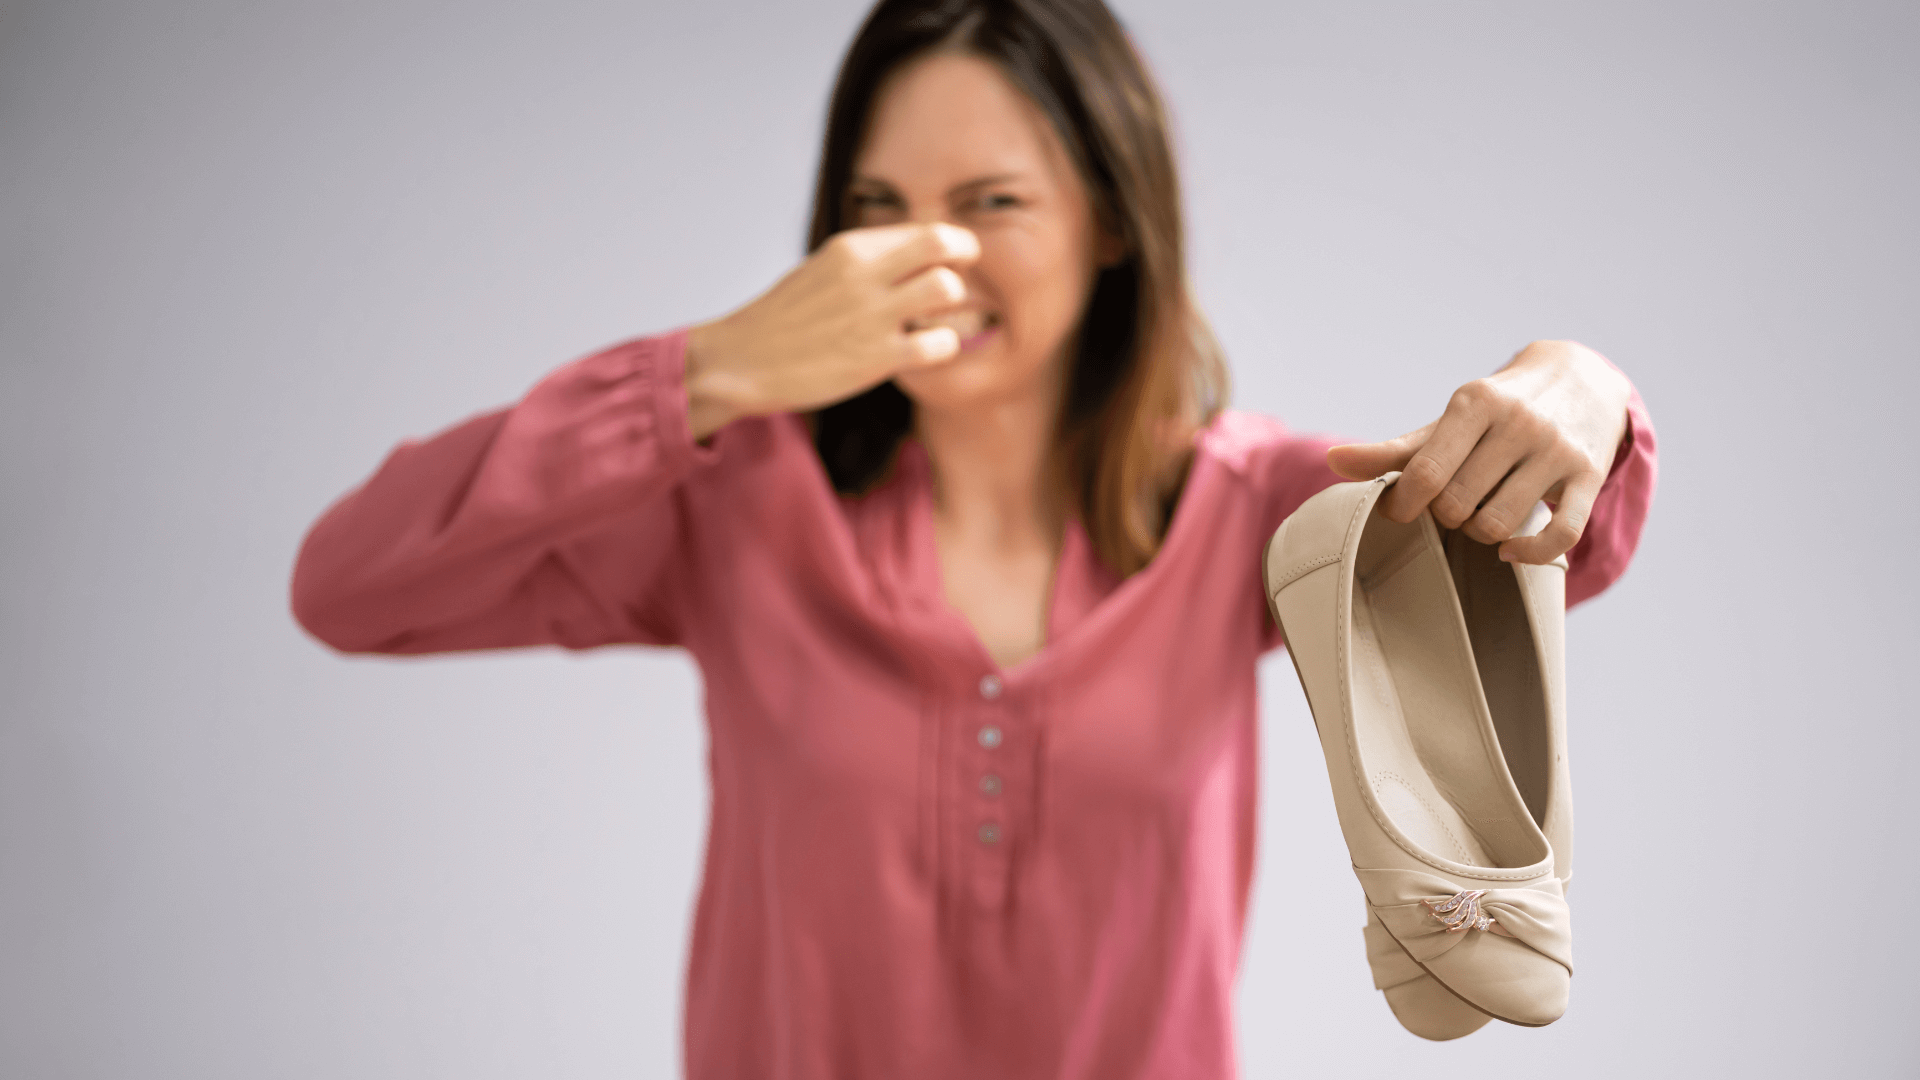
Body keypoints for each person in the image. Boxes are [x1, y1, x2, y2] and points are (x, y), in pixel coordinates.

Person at [289, 0, 1657, 1074]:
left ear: (1111, 221)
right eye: (877, 210)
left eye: (990, 201)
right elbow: (351, 587)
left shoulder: (1252, 509)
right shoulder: (732, 502)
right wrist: (704, 373)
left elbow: (1553, 546)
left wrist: (1585, 392)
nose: (925, 257)